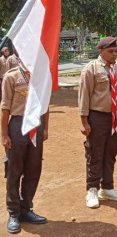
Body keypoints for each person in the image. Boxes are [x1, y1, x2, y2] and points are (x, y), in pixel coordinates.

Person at [78, 36, 117, 208]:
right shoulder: (91, 69)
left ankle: (107, 187)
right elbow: (84, 95)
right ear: (101, 51)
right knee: (95, 153)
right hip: (97, 116)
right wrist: (84, 121)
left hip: (115, 116)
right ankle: (92, 189)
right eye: (110, 51)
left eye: (116, 51)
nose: (114, 54)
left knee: (111, 152)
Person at [1, 62, 49, 234]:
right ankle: (13, 213)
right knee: (14, 170)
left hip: (36, 125)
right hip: (18, 125)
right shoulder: (11, 76)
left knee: (33, 169)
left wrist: (46, 128)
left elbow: (45, 105)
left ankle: (26, 208)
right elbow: (5, 107)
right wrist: (4, 134)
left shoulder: (40, 76)